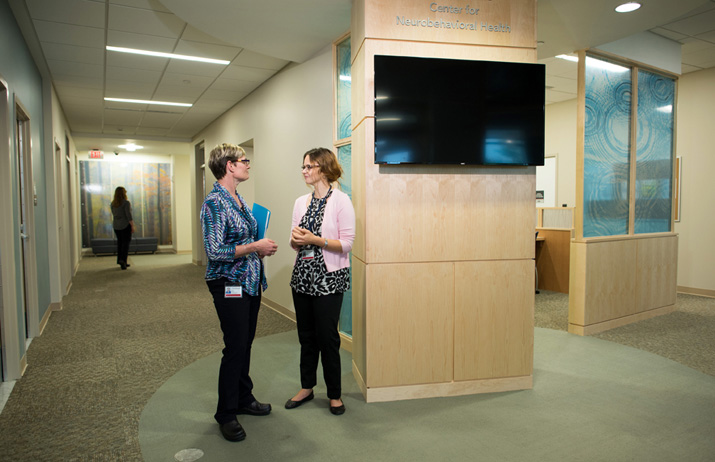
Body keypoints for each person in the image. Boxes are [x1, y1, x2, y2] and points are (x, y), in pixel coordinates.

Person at [200, 143, 278, 442]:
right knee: (234, 346)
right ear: (229, 166)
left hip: (249, 281)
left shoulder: (239, 198)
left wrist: (258, 249)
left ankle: (244, 399)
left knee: (245, 343)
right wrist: (253, 247)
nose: (248, 164)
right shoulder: (215, 203)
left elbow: (243, 240)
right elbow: (215, 250)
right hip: (228, 283)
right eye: (244, 160)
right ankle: (226, 413)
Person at [285, 147, 355, 416]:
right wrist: (297, 239)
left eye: (309, 166)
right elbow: (294, 242)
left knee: (327, 338)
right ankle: (307, 387)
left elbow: (347, 244)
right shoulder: (300, 202)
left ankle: (334, 394)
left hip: (329, 279)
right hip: (302, 277)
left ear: (324, 169)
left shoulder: (341, 201)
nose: (304, 171)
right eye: (303, 167)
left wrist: (315, 240)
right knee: (306, 336)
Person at [110, 186, 135, 270]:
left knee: (120, 243)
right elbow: (128, 215)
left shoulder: (113, 204)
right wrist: (132, 225)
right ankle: (123, 261)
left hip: (116, 226)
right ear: (123, 193)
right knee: (125, 244)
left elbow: (114, 214)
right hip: (125, 225)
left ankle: (120, 260)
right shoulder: (126, 203)